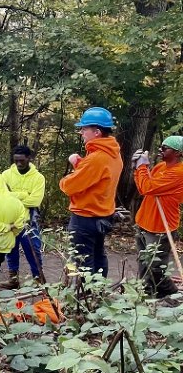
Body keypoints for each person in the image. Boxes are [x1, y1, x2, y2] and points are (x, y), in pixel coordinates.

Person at [59, 107, 123, 277]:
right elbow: (95, 178)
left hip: (85, 218)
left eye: (84, 128)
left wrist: (66, 178)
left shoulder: (97, 158)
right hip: (102, 216)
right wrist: (79, 162)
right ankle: (98, 295)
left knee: (83, 262)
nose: (81, 132)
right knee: (98, 257)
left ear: (97, 132)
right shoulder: (113, 154)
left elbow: (69, 186)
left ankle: (86, 300)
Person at [132, 136, 183, 297]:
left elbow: (148, 187)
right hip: (144, 221)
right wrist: (137, 168)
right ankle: (148, 294)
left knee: (156, 266)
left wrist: (143, 167)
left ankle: (172, 294)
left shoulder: (179, 173)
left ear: (178, 153)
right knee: (143, 262)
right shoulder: (161, 167)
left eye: (165, 148)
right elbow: (143, 188)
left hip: (161, 226)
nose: (160, 150)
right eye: (161, 146)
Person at [0, 145, 46, 289]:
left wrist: (12, 196)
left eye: (22, 161)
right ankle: (13, 280)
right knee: (11, 249)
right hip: (10, 219)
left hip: (29, 220)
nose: (19, 164)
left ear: (29, 158)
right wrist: (24, 195)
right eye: (16, 161)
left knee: (33, 249)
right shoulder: (6, 175)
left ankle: (39, 280)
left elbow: (35, 201)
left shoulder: (38, 178)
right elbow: (0, 195)